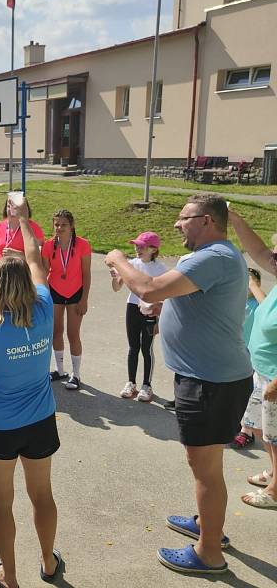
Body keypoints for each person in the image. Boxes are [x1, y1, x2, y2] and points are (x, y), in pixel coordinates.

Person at [105, 194, 253, 575]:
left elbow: (149, 289)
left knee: (204, 467)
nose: (176, 225)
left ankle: (209, 553)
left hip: (210, 381)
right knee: (207, 465)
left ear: (206, 220)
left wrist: (120, 259)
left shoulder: (214, 255)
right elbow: (182, 297)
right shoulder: (216, 256)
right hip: (211, 377)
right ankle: (208, 525)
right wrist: (168, 305)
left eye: (183, 218)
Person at [0, 196, 62, 588]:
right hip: (40, 420)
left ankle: (11, 576)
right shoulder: (45, 307)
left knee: (1, 504)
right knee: (42, 496)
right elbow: (35, 258)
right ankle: (49, 562)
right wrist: (22, 221)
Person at [227, 208, 277, 509]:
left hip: (275, 377)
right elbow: (256, 248)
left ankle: (275, 491)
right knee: (267, 433)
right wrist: (233, 217)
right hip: (264, 370)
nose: (272, 258)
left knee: (275, 434)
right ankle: (274, 472)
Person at [112, 232, 168, 403]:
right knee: (133, 347)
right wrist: (115, 278)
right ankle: (131, 383)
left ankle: (146, 385)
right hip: (132, 307)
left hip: (151, 309)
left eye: (141, 246)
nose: (137, 249)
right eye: (136, 245)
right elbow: (116, 287)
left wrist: (159, 313)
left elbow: (166, 293)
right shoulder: (130, 264)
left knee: (146, 348)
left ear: (153, 249)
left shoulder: (161, 269)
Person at [42, 210, 92, 390]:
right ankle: (60, 369)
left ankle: (76, 374)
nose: (59, 228)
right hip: (54, 291)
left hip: (75, 293)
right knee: (56, 331)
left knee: (73, 334)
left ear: (72, 226)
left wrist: (84, 299)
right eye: (56, 224)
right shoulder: (48, 246)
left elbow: (86, 274)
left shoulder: (83, 245)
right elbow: (43, 271)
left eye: (63, 224)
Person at [229, 267, 266, 449]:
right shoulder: (235, 301)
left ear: (257, 284)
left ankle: (247, 431)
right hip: (235, 351)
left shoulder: (259, 303)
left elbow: (266, 305)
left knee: (251, 392)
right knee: (236, 389)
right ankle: (237, 423)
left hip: (253, 354)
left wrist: (254, 286)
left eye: (250, 282)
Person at [0, 193, 45, 261]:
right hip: (1, 269)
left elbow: (38, 259)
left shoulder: (34, 228)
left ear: (24, 209)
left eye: (15, 207)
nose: (11, 210)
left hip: (22, 270)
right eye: (8, 206)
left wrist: (17, 254)